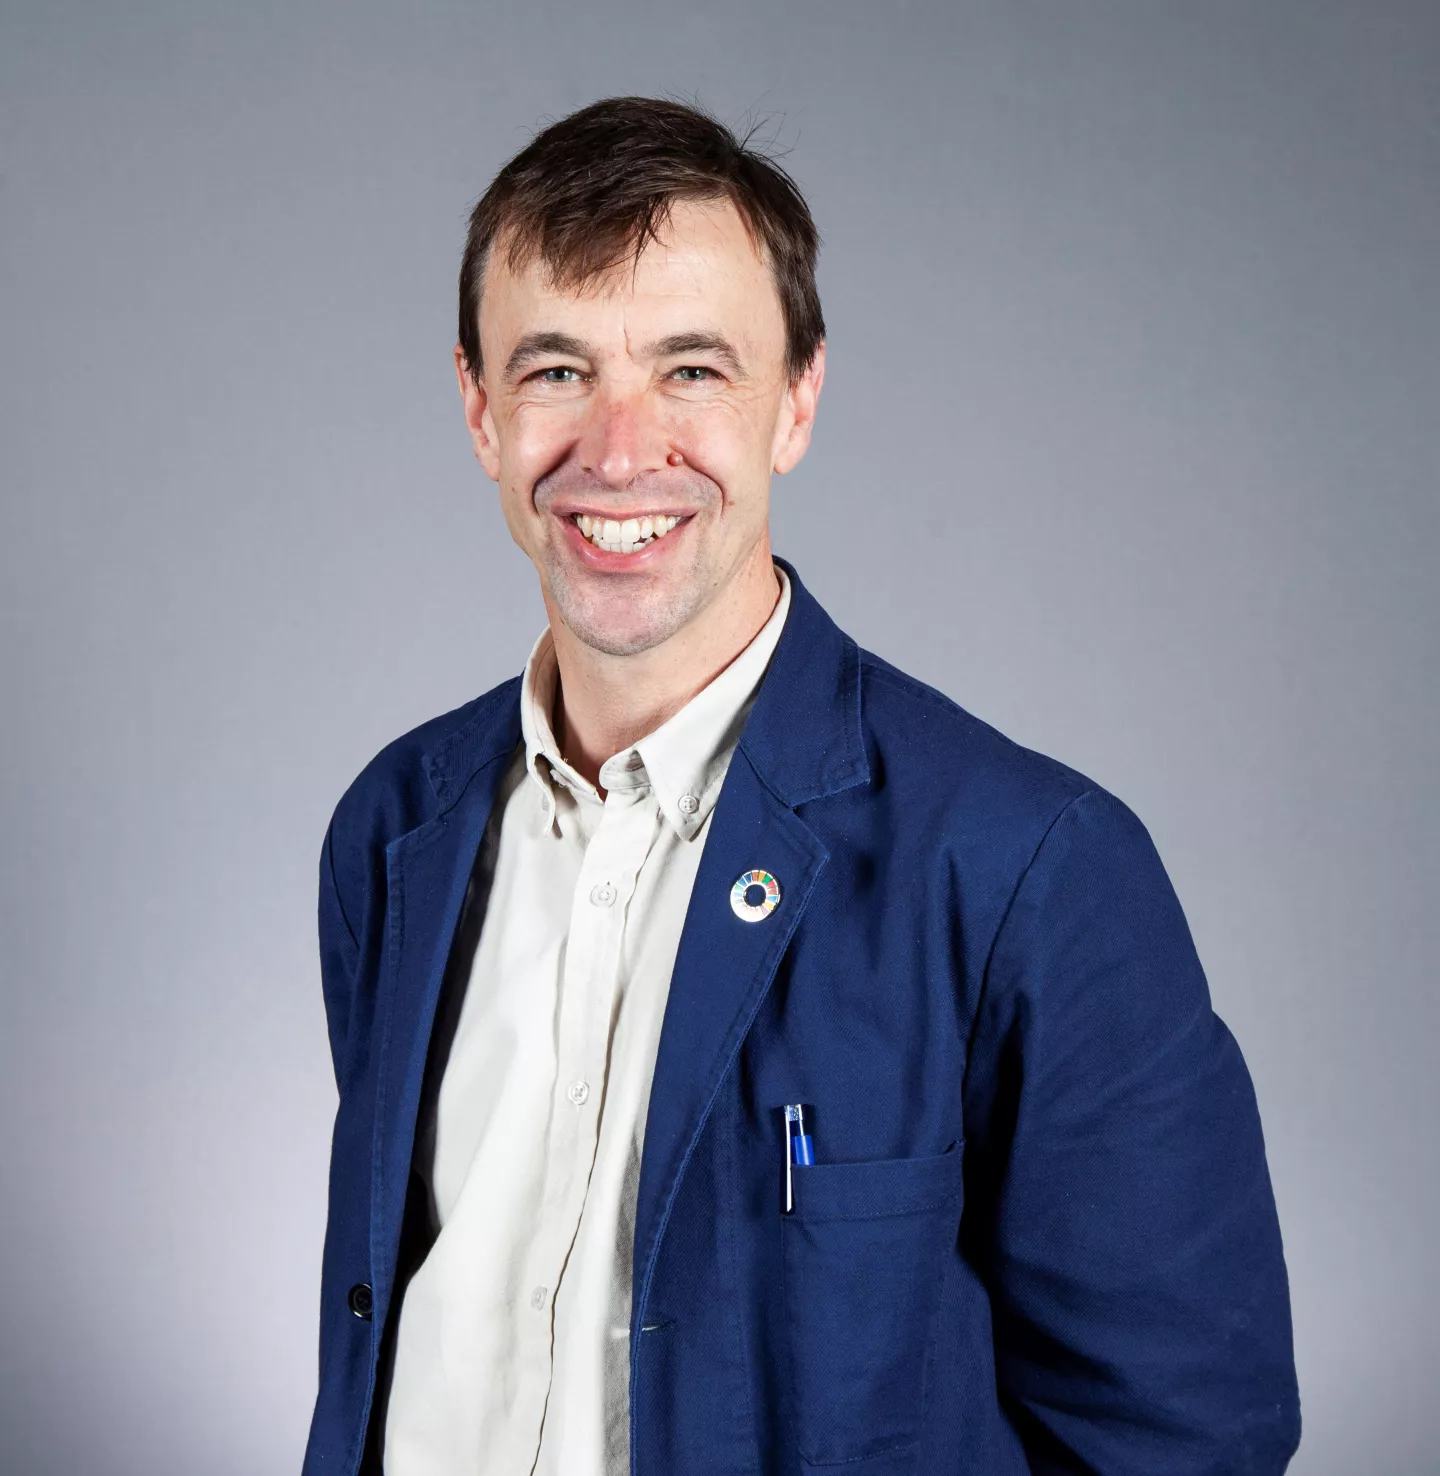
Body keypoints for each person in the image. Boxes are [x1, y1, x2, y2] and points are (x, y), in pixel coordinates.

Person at [301, 96, 1300, 1476]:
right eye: (556, 371)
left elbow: (1186, 1434)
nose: (620, 447)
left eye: (692, 370)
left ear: (800, 401)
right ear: (479, 408)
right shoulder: (395, 831)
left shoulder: (1031, 870)